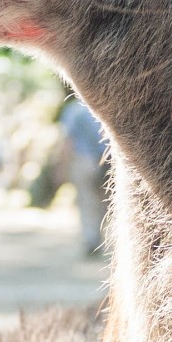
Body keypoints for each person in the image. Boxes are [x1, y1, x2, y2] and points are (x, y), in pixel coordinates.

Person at [60, 95, 110, 256]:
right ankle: (102, 238)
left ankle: (91, 239)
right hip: (107, 161)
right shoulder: (103, 105)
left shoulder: (73, 110)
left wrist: (62, 167)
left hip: (83, 160)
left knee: (86, 200)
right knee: (104, 202)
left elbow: (68, 141)